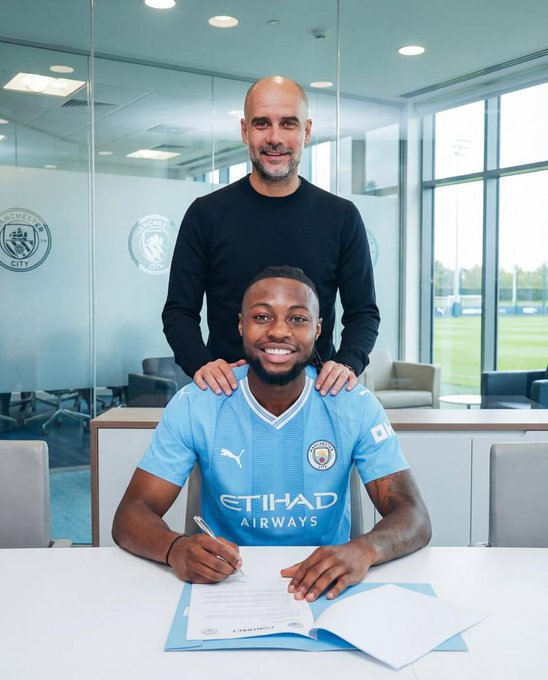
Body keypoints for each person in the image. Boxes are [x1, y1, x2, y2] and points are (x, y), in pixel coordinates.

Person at [114, 266, 431, 602]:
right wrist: (174, 548)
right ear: (241, 325)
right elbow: (131, 513)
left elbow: (414, 515)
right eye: (262, 317)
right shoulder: (197, 403)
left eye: (297, 319)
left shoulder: (354, 404)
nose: (279, 331)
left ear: (317, 329)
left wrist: (364, 550)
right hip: (224, 589)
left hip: (326, 590)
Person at [162, 75, 380, 399]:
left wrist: (347, 363)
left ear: (306, 131)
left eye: (288, 124)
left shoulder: (341, 217)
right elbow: (179, 311)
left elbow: (363, 313)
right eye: (262, 123)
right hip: (227, 394)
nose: (274, 138)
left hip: (316, 396)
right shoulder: (206, 214)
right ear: (244, 131)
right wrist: (201, 365)